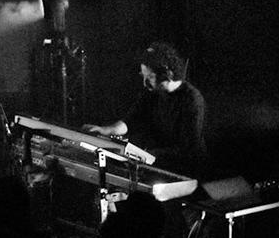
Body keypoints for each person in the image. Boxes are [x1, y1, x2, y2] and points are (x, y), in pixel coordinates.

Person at [83, 41, 206, 171]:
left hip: (185, 169)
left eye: (150, 77)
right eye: (143, 77)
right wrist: (106, 130)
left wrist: (146, 154)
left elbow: (188, 149)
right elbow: (130, 121)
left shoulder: (192, 99)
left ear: (168, 74)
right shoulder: (151, 94)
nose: (144, 83)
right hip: (157, 162)